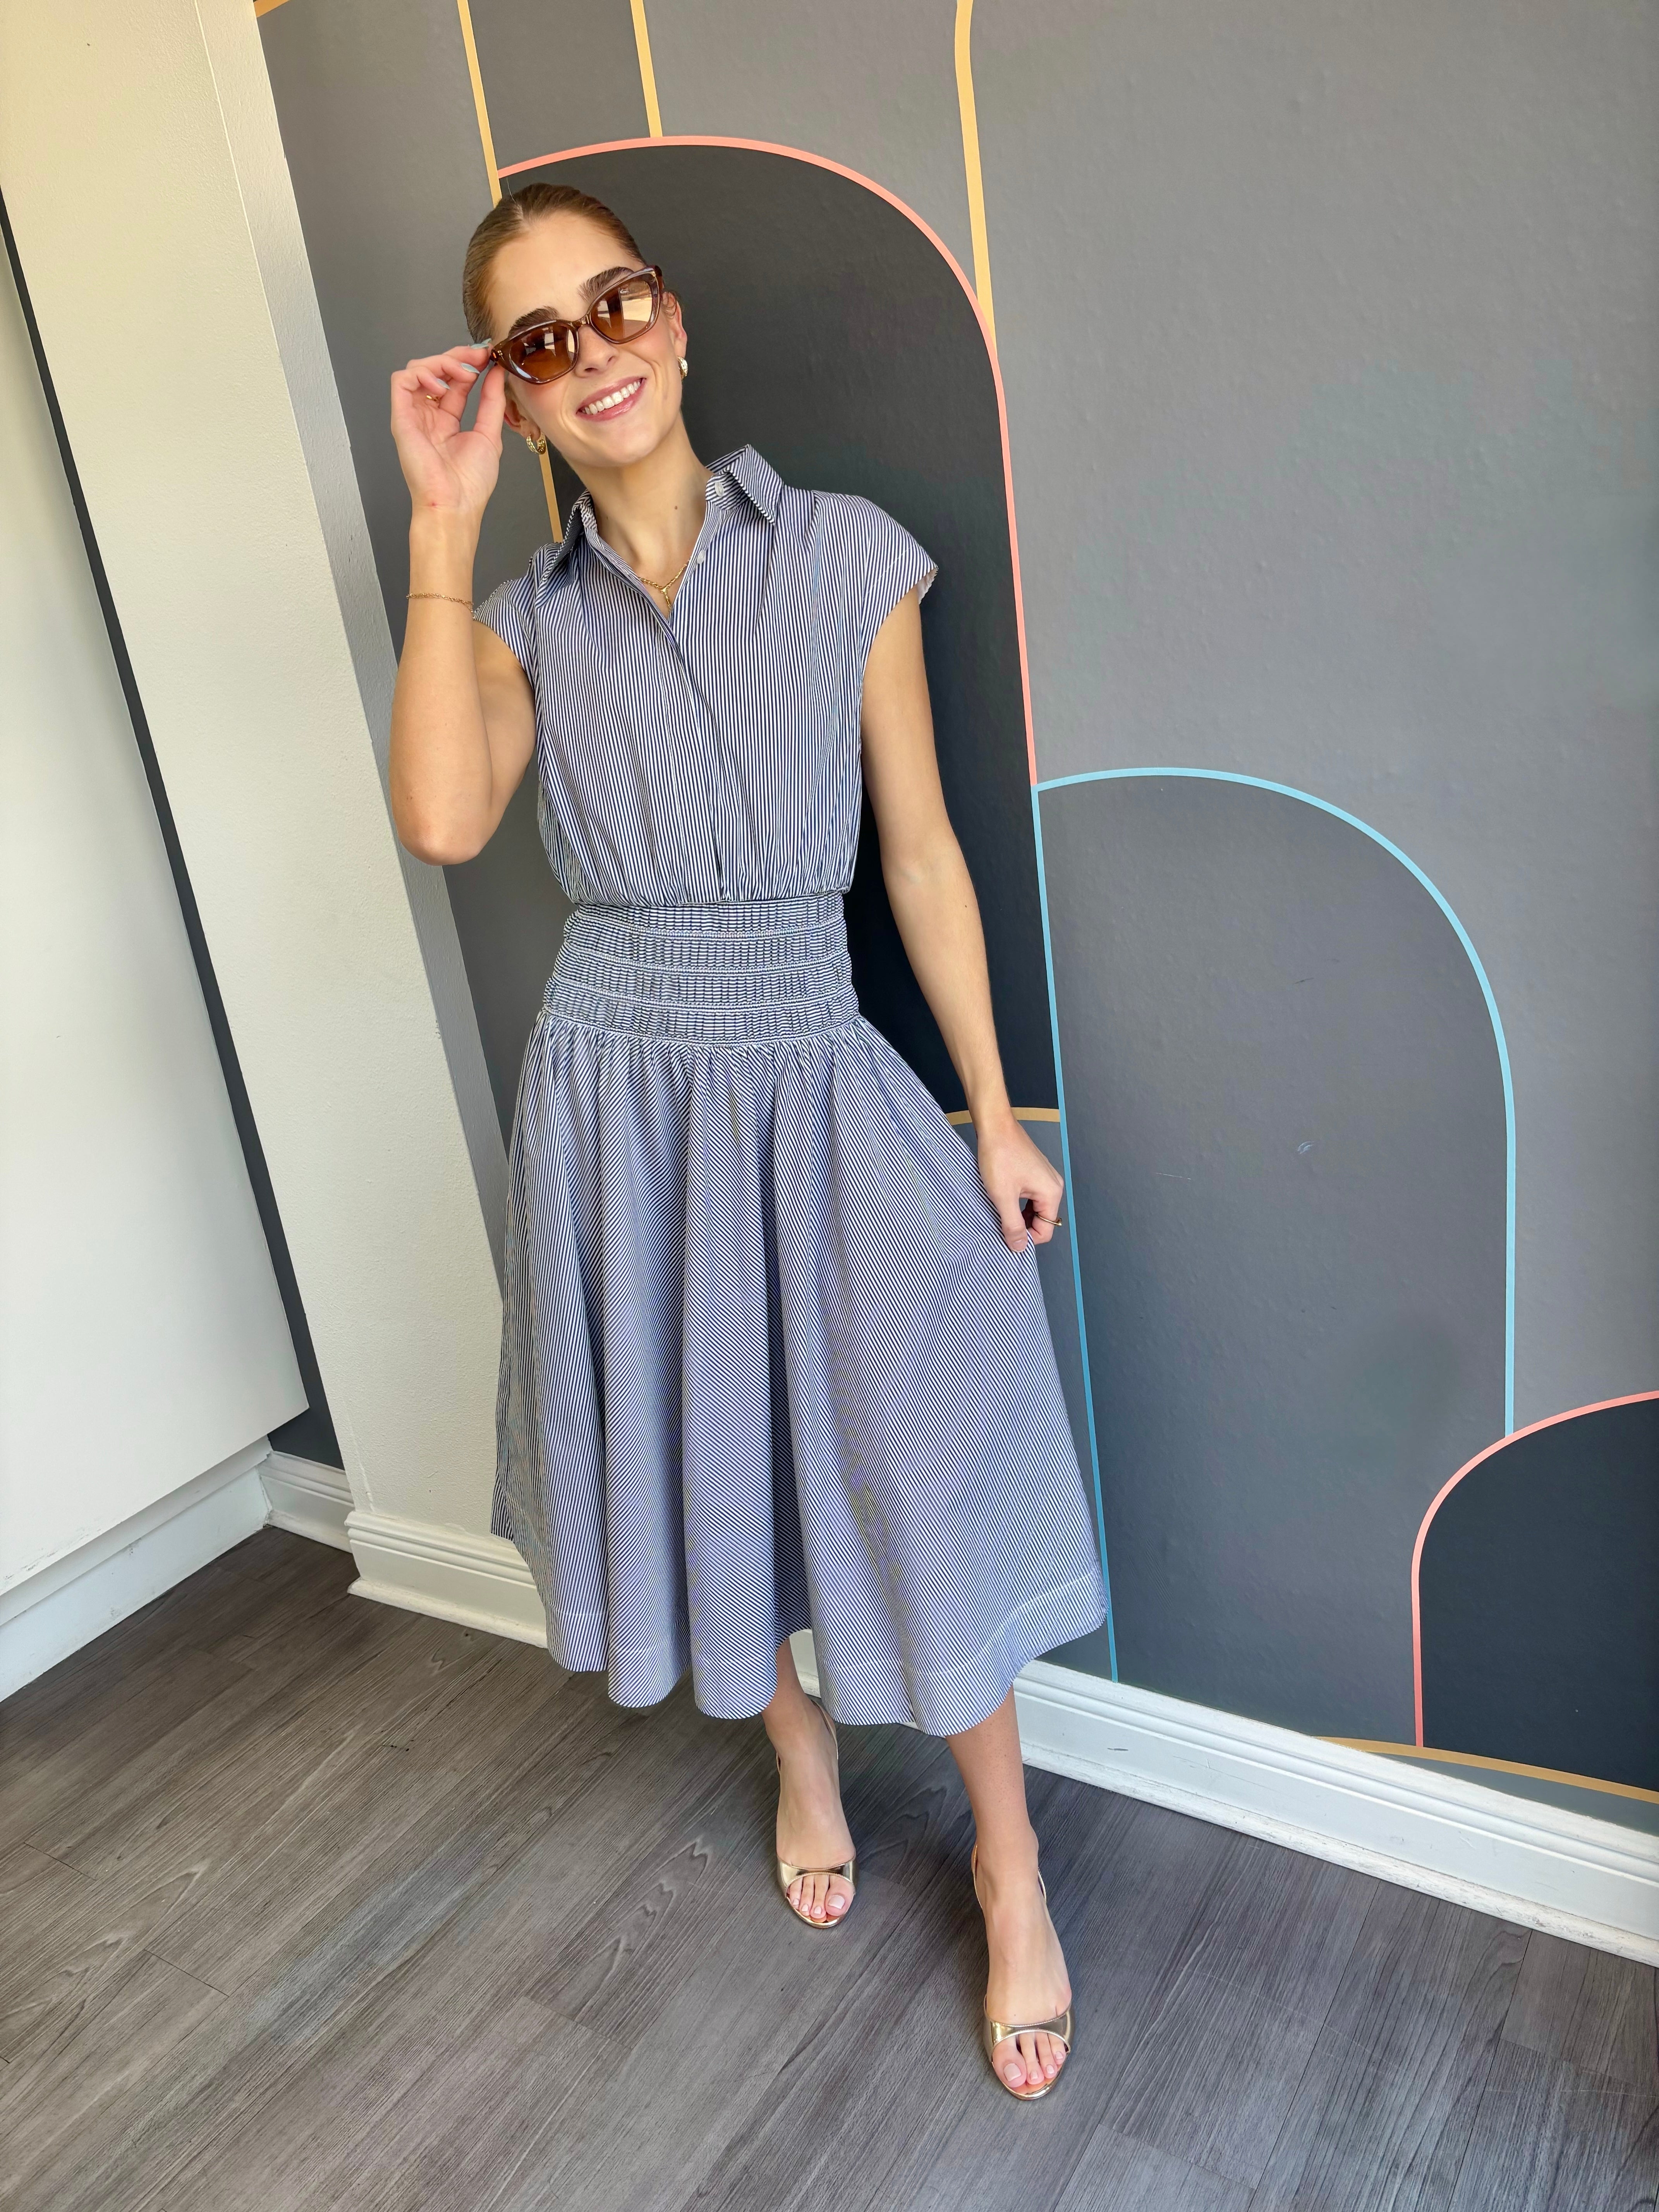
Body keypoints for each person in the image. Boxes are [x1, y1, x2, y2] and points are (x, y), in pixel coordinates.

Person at [386, 180, 1108, 2100]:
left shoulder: (846, 555)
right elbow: (444, 821)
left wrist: (989, 1110)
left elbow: (921, 856)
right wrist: (443, 524)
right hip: (618, 1087)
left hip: (807, 1051)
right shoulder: (521, 624)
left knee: (910, 1471)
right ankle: (797, 1752)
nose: (594, 352)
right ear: (516, 393)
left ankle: (1010, 1865)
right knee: (705, 1459)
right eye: (541, 340)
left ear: (677, 316)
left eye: (615, 302)